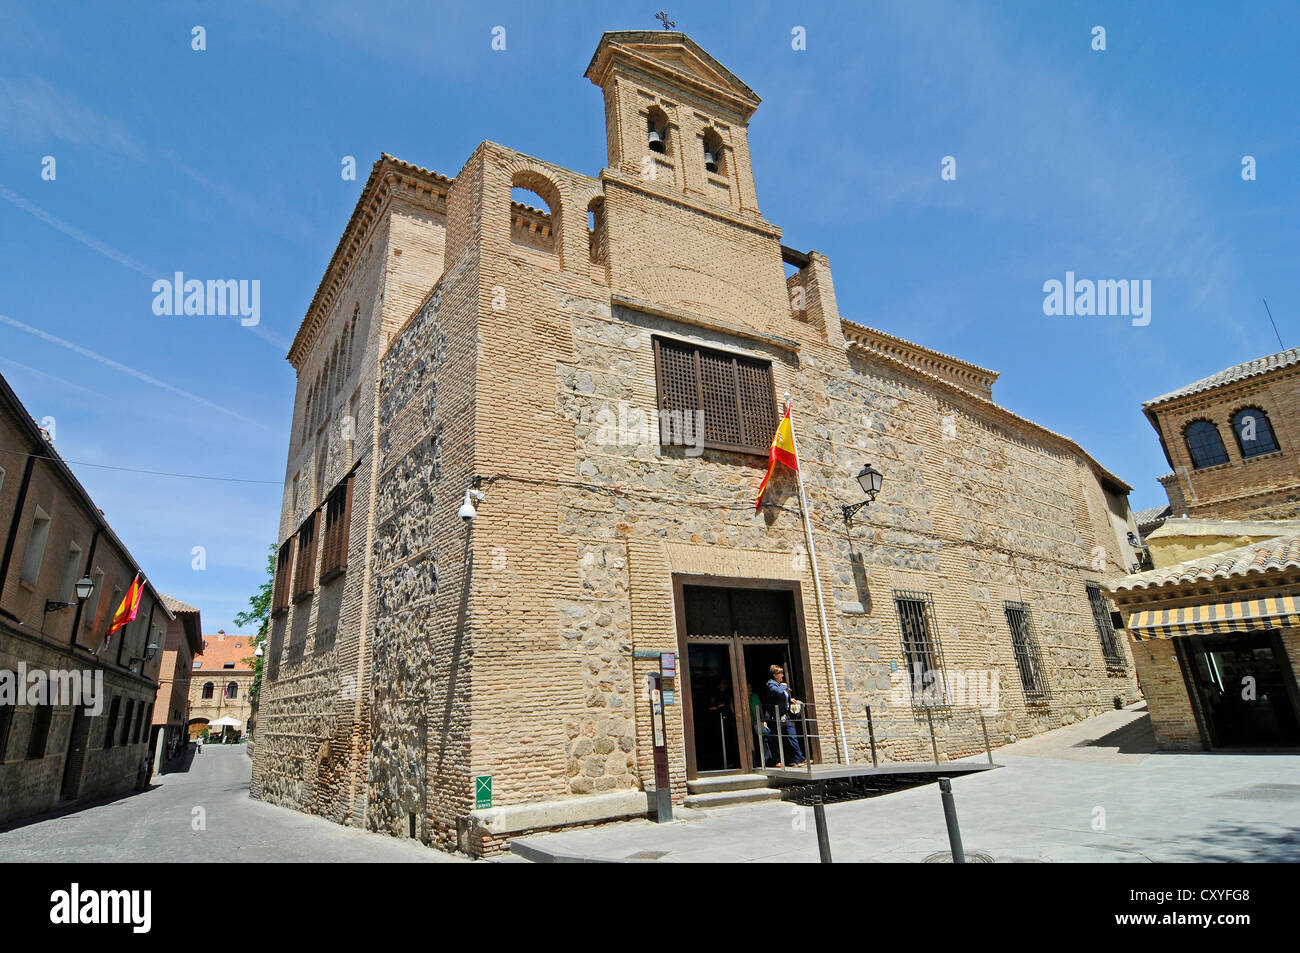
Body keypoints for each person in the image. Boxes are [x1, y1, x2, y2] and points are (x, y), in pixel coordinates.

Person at [763, 664, 807, 767]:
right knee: (776, 739)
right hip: (775, 717)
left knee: (792, 736)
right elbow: (777, 692)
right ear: (775, 675)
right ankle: (777, 761)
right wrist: (785, 686)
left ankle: (800, 759)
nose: (782, 675)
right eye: (780, 673)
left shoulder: (779, 685)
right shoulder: (771, 685)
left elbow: (783, 696)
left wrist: (790, 700)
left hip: (785, 716)